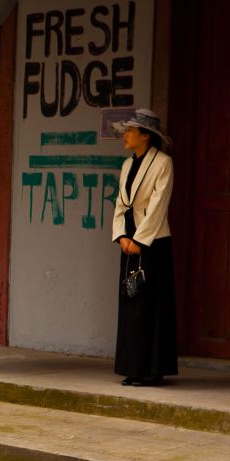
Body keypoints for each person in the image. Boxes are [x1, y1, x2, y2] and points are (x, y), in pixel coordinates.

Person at [111, 109, 177, 386]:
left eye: (131, 131)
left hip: (153, 242)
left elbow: (159, 206)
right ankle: (133, 366)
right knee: (131, 302)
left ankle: (152, 369)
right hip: (129, 241)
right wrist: (122, 236)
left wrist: (139, 241)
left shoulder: (163, 163)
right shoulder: (127, 165)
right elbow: (120, 203)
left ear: (146, 136)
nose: (125, 135)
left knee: (151, 305)